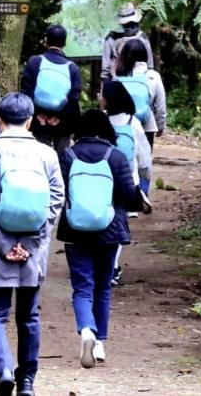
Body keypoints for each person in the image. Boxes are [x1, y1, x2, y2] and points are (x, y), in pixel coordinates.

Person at [0, 93, 65, 396]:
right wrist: (32, 244)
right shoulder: (47, 154)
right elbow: (56, 200)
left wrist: (2, 244)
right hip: (31, 250)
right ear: (30, 120)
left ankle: (3, 371)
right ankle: (26, 382)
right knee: (28, 316)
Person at [57, 109, 142, 369]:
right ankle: (100, 343)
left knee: (82, 287)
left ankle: (86, 330)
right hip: (109, 231)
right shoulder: (116, 156)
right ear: (106, 129)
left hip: (75, 230)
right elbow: (128, 196)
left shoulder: (67, 155)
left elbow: (58, 190)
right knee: (103, 287)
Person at [102, 80, 152, 285]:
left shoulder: (101, 120)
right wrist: (145, 181)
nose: (99, 98)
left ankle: (104, 265)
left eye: (102, 94)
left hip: (101, 178)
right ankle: (112, 266)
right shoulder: (133, 123)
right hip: (127, 181)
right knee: (119, 224)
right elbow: (144, 159)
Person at [21, 24, 82, 153]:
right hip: (62, 122)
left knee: (39, 155)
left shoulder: (34, 61)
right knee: (63, 156)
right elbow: (73, 99)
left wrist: (38, 115)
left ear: (46, 40)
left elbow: (26, 93)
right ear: (64, 43)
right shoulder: (72, 68)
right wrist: (58, 118)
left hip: (38, 120)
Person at [116, 38, 166, 152]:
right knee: (144, 158)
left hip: (123, 125)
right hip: (146, 124)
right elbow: (160, 105)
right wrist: (160, 125)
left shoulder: (119, 77)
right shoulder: (153, 76)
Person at [101, 3, 154, 82]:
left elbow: (105, 70)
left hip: (117, 83)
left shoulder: (111, 39)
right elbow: (150, 67)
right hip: (141, 82)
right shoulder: (143, 38)